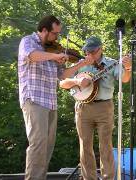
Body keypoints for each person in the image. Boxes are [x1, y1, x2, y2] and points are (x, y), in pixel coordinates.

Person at [18, 15, 93, 180]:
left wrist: (81, 64)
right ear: (44, 30)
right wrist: (55, 56)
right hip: (34, 99)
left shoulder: (52, 48)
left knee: (47, 146)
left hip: (50, 101)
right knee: (37, 144)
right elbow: (31, 56)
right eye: (54, 34)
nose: (57, 38)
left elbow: (62, 75)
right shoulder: (28, 41)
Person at [59, 36, 132, 180]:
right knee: (85, 146)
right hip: (83, 107)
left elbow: (125, 79)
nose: (90, 54)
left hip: (104, 107)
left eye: (93, 51)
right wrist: (77, 81)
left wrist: (128, 67)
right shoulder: (80, 63)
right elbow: (62, 82)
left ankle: (108, 178)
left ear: (101, 48)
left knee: (106, 145)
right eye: (87, 51)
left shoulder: (112, 63)